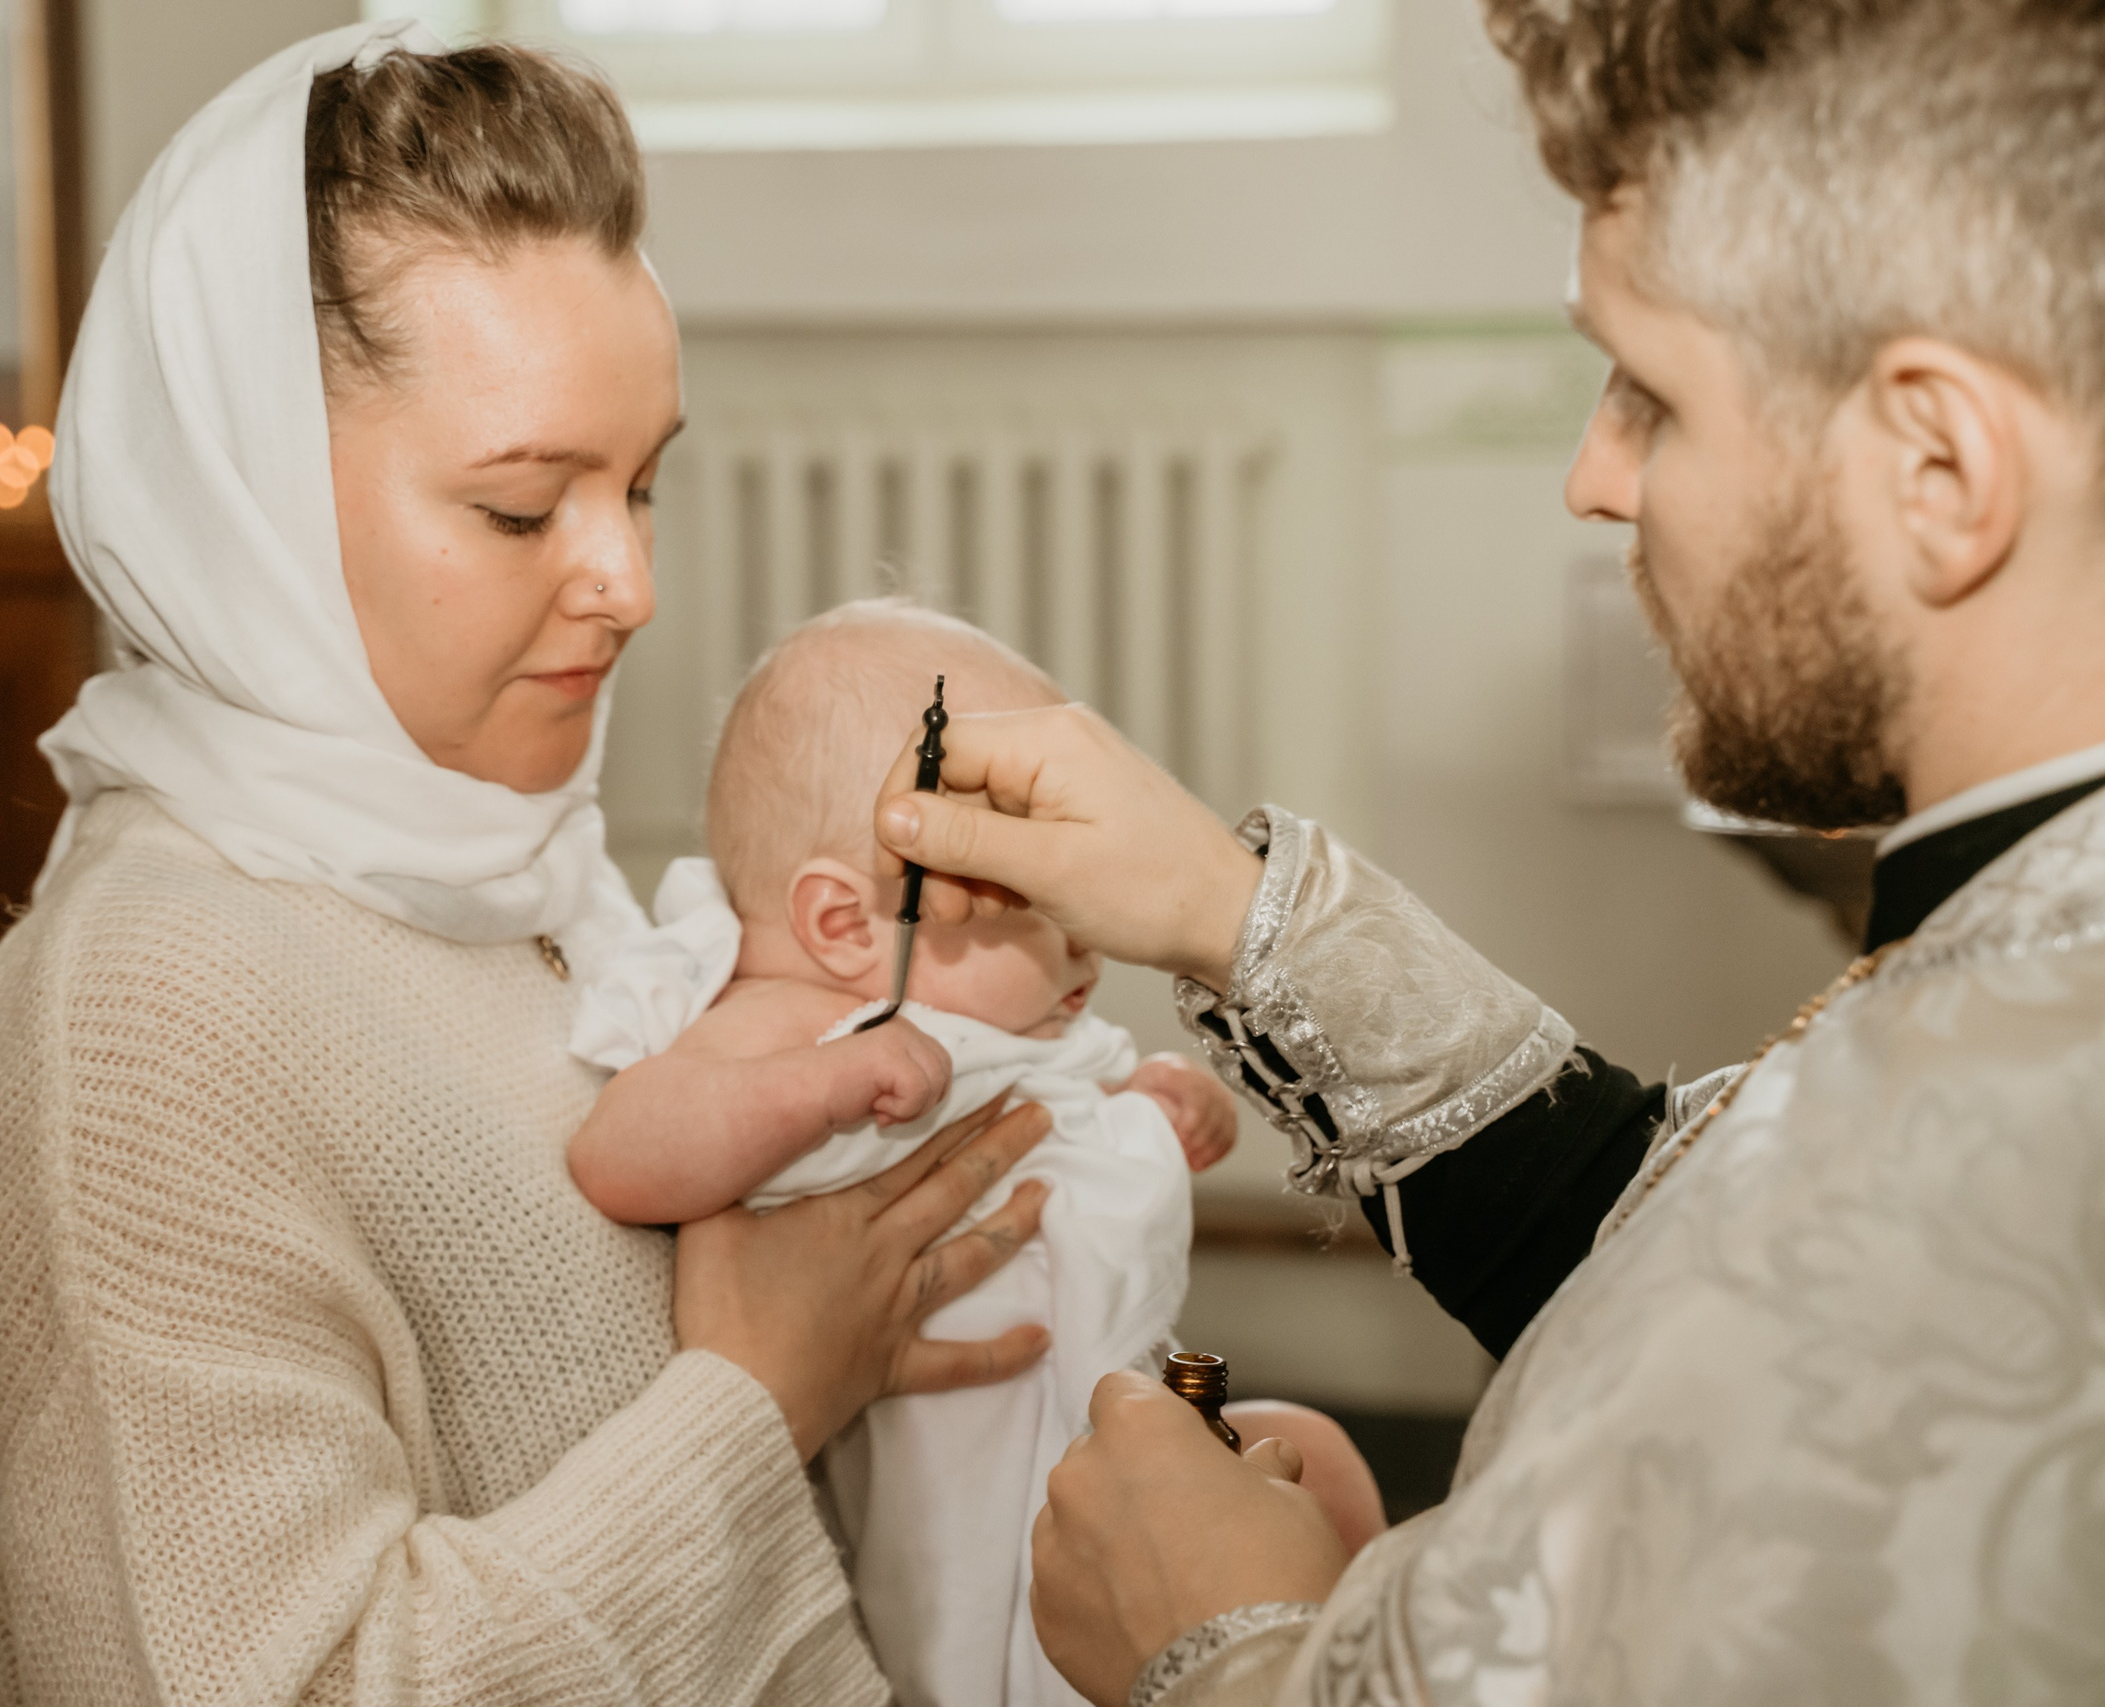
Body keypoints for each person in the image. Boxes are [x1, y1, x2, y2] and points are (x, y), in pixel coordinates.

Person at [864, 1, 2105, 1701]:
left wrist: (1220, 1639)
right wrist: (1227, 913)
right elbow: (1686, 1228)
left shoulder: (1977, 1207)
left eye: (1652, 397)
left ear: (1940, 466)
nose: (1596, 478)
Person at [0, 27, 1059, 1707]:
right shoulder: (142, 1037)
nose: (629, 579)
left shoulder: (515, 877)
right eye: (524, 510)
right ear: (256, 507)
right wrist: (755, 1405)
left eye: (645, 482)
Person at [562, 601, 1243, 1707]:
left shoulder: (1019, 1017)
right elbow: (621, 1152)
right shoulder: (790, 1019)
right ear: (843, 928)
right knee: (985, 1639)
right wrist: (815, 1085)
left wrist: (1163, 1093)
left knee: (1310, 1480)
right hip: (954, 1470)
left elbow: (1091, 1086)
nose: (1091, 940)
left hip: (1088, 1405)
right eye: (1040, 904)